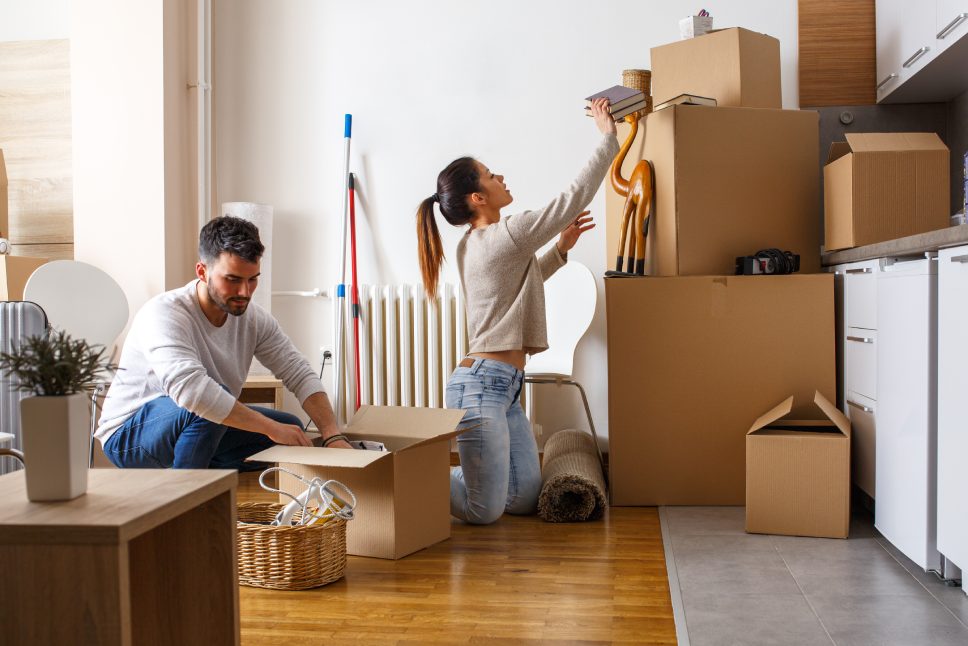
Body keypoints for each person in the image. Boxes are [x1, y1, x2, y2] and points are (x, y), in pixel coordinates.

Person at [415, 98, 619, 524]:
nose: (500, 177)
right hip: (479, 388)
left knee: (524, 499)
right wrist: (607, 138)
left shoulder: (478, 243)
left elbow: (520, 289)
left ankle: (471, 474)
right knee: (483, 511)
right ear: (478, 197)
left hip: (503, 388)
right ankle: (406, 476)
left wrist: (560, 250)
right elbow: (571, 198)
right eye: (491, 175)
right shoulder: (508, 235)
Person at [97, 215, 351, 470]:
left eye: (252, 279)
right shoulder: (164, 313)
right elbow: (193, 392)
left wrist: (332, 434)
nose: (245, 292)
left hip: (197, 424)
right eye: (232, 279)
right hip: (128, 435)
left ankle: (204, 473)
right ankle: (187, 500)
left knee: (291, 427)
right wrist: (270, 428)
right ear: (202, 271)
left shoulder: (254, 319)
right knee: (210, 406)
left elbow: (298, 372)